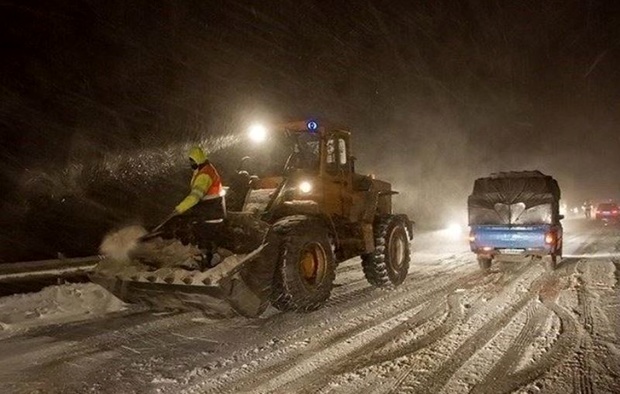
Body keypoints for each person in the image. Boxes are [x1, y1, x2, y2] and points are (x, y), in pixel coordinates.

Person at [174, 146, 225, 221]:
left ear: (198, 160)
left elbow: (196, 195)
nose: (191, 163)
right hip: (213, 208)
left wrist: (180, 209)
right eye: (190, 160)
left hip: (209, 211)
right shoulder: (206, 168)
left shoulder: (204, 175)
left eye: (192, 160)